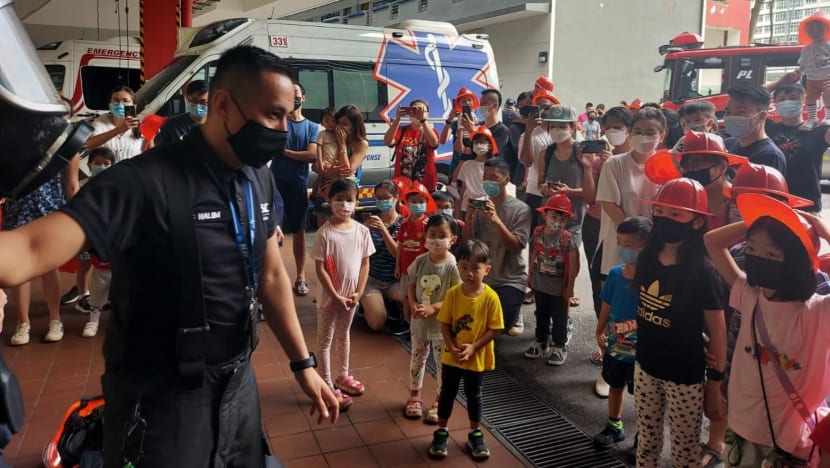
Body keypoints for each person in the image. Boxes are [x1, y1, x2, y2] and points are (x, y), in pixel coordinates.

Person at [0, 45, 339, 465]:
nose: (283, 129)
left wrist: (303, 363)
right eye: (273, 114)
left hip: (236, 383)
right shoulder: (143, 183)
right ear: (223, 105)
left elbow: (270, 274)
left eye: (289, 115)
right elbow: (27, 250)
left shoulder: (258, 178)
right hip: (161, 401)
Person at [705, 194, 830, 467]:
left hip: (789, 443)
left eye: (771, 253)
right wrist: (760, 219)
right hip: (741, 428)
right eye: (751, 249)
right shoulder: (750, 295)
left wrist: (822, 232)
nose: (757, 258)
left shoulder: (818, 312)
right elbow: (712, 242)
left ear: (796, 261)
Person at [633, 178, 726, 468]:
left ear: (697, 222)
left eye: (676, 214)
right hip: (645, 366)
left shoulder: (704, 272)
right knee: (646, 442)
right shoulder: (647, 257)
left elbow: (718, 330)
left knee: (685, 452)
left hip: (684, 375)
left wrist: (715, 383)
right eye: (660, 211)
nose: (664, 219)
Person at [592, 107, 665, 397]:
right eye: (638, 131)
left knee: (648, 308)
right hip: (620, 248)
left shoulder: (668, 166)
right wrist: (637, 239)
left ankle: (643, 369)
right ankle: (610, 371)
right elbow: (609, 205)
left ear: (662, 135)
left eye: (651, 132)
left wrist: (652, 244)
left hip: (656, 251)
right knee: (615, 308)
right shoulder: (616, 165)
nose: (644, 137)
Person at [429, 239, 504, 461]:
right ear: (458, 267)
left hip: (476, 358)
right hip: (452, 358)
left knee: (474, 395)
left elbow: (494, 329)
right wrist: (451, 347)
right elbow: (444, 322)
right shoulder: (453, 294)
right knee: (447, 393)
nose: (469, 273)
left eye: (475, 268)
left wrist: (473, 347)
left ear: (486, 269)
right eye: (464, 267)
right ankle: (441, 431)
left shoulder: (491, 297)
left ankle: (475, 432)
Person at [4, 144, 79, 346]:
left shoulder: (67, 141)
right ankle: (23, 322)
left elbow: (72, 184)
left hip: (51, 209)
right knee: (20, 266)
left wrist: (78, 216)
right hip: (19, 207)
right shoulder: (17, 139)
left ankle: (55, 319)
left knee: (49, 266)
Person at [312, 178, 374, 411]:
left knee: (344, 335)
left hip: (351, 298)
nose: (344, 205)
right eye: (339, 199)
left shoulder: (362, 231)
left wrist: (358, 292)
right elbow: (320, 269)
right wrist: (335, 297)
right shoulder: (324, 234)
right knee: (325, 339)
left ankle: (343, 376)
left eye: (349, 200)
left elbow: (365, 263)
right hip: (330, 299)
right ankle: (326, 382)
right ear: (329, 202)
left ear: (357, 203)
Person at [593, 216, 651, 448]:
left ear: (646, 247)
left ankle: (645, 435)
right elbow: (606, 304)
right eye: (620, 243)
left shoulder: (652, 280)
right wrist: (599, 330)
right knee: (615, 385)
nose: (622, 249)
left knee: (644, 395)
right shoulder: (615, 275)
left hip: (644, 353)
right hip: (616, 347)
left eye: (629, 245)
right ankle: (614, 425)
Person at [535, 104, 597, 308]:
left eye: (563, 125)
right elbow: (540, 184)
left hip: (574, 217)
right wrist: (547, 189)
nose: (558, 130)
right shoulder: (546, 153)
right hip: (550, 217)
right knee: (548, 256)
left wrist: (569, 191)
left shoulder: (582, 152)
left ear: (572, 126)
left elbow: (590, 194)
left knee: (570, 258)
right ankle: (549, 291)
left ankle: (568, 290)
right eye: (553, 126)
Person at [462, 157, 531, 335]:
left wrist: (497, 221)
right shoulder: (479, 207)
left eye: (494, 177)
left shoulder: (520, 209)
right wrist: (469, 218)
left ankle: (515, 311)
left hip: (511, 278)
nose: (488, 181)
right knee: (470, 324)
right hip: (482, 277)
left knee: (499, 326)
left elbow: (516, 247)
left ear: (506, 180)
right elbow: (467, 244)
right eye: (485, 176)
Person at [404, 213, 460, 425]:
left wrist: (433, 308)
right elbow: (410, 285)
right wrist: (412, 305)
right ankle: (415, 394)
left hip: (441, 327)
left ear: (452, 239)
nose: (436, 240)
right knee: (417, 358)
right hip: (419, 323)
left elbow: (455, 297)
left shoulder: (453, 266)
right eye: (432, 234)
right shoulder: (420, 261)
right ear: (425, 237)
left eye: (442, 235)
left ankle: (439, 400)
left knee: (442, 364)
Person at [270, 83, 319, 298]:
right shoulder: (277, 123)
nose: (294, 99)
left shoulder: (312, 127)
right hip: (274, 186)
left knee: (299, 232)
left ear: (304, 98)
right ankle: (275, 277)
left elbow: (311, 156)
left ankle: (300, 277)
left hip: (298, 185)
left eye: (297, 95)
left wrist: (284, 151)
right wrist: (291, 153)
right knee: (272, 233)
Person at [523, 194, 578, 365]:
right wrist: (530, 275)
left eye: (563, 218)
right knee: (541, 313)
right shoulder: (538, 233)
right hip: (540, 284)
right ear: (545, 215)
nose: (558, 221)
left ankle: (559, 345)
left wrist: (569, 287)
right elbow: (533, 254)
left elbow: (574, 265)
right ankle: (541, 340)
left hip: (558, 287)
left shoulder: (567, 239)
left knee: (559, 316)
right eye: (554, 216)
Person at [764, 80, 830, 213]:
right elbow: (755, 94)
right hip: (773, 202)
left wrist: (828, 106)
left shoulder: (818, 131)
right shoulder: (768, 127)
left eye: (793, 98)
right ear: (775, 104)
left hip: (806, 205)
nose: (787, 102)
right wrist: (785, 78)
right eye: (781, 99)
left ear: (803, 101)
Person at [359, 180, 406, 333]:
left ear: (396, 198)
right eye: (378, 198)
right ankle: (369, 305)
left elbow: (396, 254)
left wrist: (383, 230)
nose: (382, 201)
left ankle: (391, 304)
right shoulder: (370, 222)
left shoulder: (404, 224)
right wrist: (362, 232)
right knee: (377, 323)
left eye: (386, 197)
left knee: (412, 300)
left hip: (394, 281)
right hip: (372, 280)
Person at [79, 147, 116, 338]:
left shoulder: (121, 185)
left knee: (124, 282)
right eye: (97, 163)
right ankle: (93, 319)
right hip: (97, 241)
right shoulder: (84, 187)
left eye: (106, 164)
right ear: (89, 164)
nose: (101, 167)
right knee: (101, 280)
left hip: (118, 241)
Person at [723, 84, 787, 173]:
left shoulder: (770, 155)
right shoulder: (728, 144)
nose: (731, 117)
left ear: (762, 116)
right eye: (728, 112)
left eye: (740, 112)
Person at [396, 182, 433, 326]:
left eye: (421, 201)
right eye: (413, 201)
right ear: (407, 203)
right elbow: (400, 245)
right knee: (405, 297)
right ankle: (408, 322)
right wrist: (397, 266)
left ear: (426, 203)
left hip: (422, 271)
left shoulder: (428, 224)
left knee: (421, 296)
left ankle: (419, 323)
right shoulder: (404, 223)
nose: (417, 204)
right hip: (406, 269)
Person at [385, 99, 440, 192]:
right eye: (414, 110)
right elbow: (388, 141)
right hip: (402, 183)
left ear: (428, 114)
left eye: (421, 110)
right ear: (409, 113)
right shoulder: (402, 130)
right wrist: (397, 119)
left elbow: (434, 143)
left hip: (425, 184)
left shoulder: (430, 131)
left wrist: (423, 121)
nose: (417, 113)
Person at [311, 106, 351, 227]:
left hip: (337, 165)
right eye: (326, 121)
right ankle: (326, 201)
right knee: (325, 185)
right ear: (322, 123)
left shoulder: (340, 134)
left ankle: (331, 203)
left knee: (335, 186)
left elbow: (343, 149)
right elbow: (318, 148)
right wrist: (320, 161)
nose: (330, 124)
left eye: (333, 120)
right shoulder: (322, 134)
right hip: (326, 165)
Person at [85, 86, 144, 162]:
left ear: (134, 106)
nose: (120, 104)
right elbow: (90, 144)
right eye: (116, 100)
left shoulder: (140, 126)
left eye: (125, 101)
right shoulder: (101, 121)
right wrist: (120, 129)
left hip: (132, 172)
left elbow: (149, 153)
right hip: (109, 172)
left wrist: (151, 136)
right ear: (110, 105)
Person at [451, 126, 496, 218]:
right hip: (467, 207)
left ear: (490, 145)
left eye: (482, 142)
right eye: (476, 142)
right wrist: (458, 212)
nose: (479, 145)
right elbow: (463, 189)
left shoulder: (494, 166)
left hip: (486, 207)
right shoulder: (467, 164)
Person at [797, 11, 830, 129]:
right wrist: (799, 72)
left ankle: (828, 117)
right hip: (811, 79)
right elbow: (803, 63)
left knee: (828, 95)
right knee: (810, 97)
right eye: (811, 29)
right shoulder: (806, 49)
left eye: (819, 29)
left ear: (827, 29)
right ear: (806, 32)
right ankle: (812, 118)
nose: (815, 32)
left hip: (827, 78)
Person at [153, 80, 209, 146]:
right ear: (187, 99)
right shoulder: (172, 125)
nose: (198, 106)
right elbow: (158, 151)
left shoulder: (219, 126)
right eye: (193, 101)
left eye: (203, 102)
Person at [443, 87, 480, 176]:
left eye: (469, 100)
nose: (467, 103)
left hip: (473, 165)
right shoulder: (457, 121)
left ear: (473, 102)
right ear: (458, 104)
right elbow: (442, 141)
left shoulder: (478, 121)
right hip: (457, 162)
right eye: (463, 101)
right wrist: (449, 119)